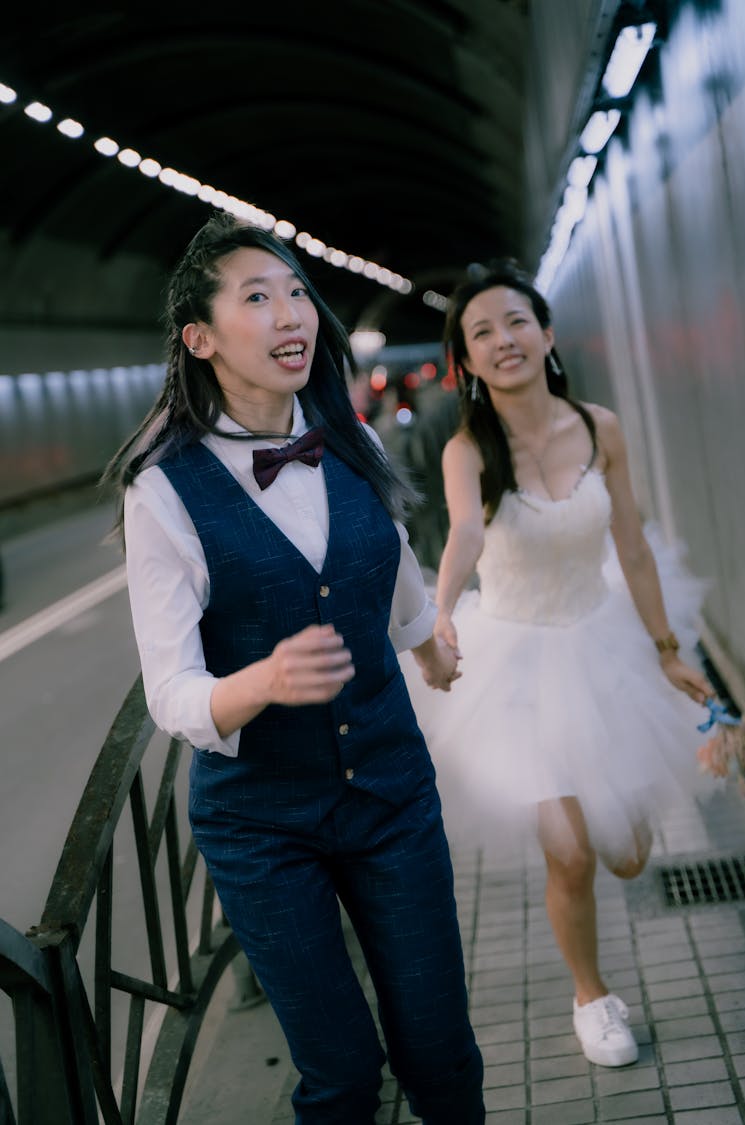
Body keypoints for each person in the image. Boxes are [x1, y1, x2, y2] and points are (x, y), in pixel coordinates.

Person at [103, 212, 485, 1125]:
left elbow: (389, 569)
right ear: (199, 339)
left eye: (296, 294)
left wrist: (427, 638)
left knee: (441, 1050)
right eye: (257, 297)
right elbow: (173, 692)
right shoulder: (162, 488)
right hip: (263, 826)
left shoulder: (354, 438)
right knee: (341, 1075)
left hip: (392, 792)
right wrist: (262, 682)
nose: (292, 315)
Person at [400, 260, 712, 1070]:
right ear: (466, 361)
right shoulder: (469, 449)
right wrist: (439, 613)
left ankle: (623, 821)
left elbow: (633, 546)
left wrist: (667, 651)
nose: (503, 339)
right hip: (516, 664)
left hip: (602, 640)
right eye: (481, 332)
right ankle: (592, 998)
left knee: (628, 852)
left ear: (545, 332)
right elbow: (464, 535)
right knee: (568, 851)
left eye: (515, 321)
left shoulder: (600, 426)